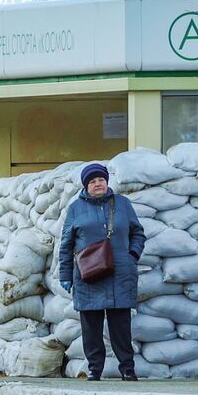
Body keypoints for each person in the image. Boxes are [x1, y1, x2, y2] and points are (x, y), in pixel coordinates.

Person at [59, 162, 145, 382]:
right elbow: (66, 245)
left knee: (120, 326)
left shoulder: (123, 204)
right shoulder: (75, 208)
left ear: (107, 182)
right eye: (93, 181)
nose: (98, 184)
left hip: (120, 273)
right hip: (88, 275)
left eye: (101, 180)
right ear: (86, 185)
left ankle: (127, 368)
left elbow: (138, 233)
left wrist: (132, 256)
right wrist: (65, 275)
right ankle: (94, 369)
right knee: (91, 326)